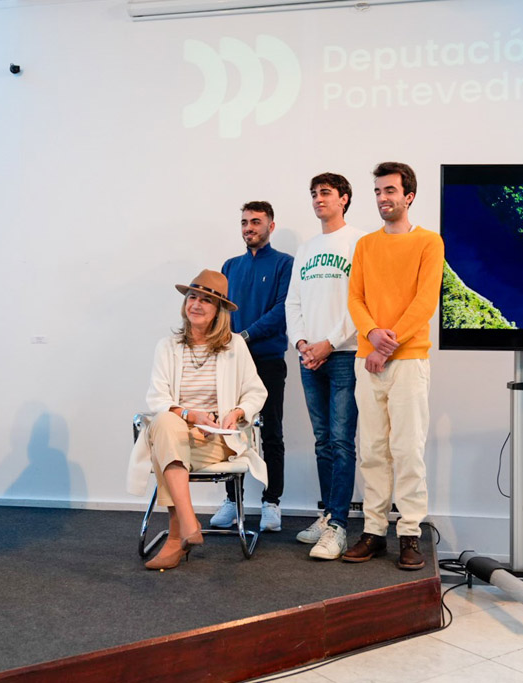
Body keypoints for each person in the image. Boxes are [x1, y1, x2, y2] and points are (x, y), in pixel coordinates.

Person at [127, 270, 268, 570]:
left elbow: (256, 392)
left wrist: (236, 413)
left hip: (216, 439)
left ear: (219, 311)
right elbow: (157, 397)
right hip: (176, 432)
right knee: (166, 424)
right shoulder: (167, 346)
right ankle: (187, 523)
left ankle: (177, 535)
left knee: (164, 446)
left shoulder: (234, 346)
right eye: (192, 297)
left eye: (206, 300)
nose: (196, 304)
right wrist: (190, 415)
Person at [344, 162, 444, 570]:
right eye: (378, 191)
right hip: (367, 361)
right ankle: (373, 531)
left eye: (390, 190)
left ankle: (409, 533)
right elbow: (355, 298)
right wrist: (372, 335)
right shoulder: (366, 245)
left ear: (409, 196)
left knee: (407, 450)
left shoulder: (429, 242)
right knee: (371, 450)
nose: (383, 198)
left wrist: (385, 346)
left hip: (408, 361)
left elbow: (425, 302)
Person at [285, 173, 367, 560]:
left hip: (344, 354)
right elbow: (293, 301)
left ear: (344, 199)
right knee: (322, 441)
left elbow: (361, 301)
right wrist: (302, 343)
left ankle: (339, 526)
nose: (319, 199)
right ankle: (327, 514)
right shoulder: (306, 248)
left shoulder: (359, 242)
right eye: (314, 194)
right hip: (309, 357)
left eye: (326, 193)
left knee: (341, 441)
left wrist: (329, 343)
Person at [211, 201, 293, 533]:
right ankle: (233, 501)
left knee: (270, 431)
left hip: (268, 360)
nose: (249, 228)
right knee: (231, 429)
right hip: (232, 363)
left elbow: (283, 309)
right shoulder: (230, 266)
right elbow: (220, 310)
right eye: (245, 222)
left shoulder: (285, 264)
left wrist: (244, 336)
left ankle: (272, 502)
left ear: (270, 226)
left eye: (256, 222)